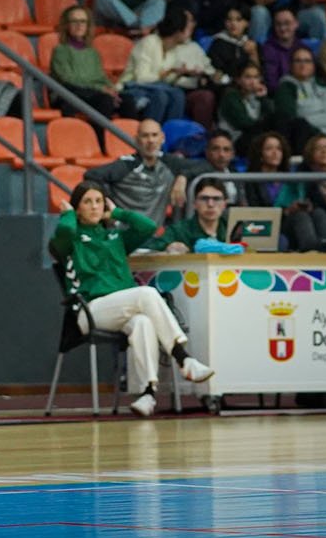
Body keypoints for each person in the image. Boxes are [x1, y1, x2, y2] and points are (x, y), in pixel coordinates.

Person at [48, 183, 213, 416]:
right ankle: (183, 358)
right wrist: (67, 214)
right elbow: (63, 232)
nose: (95, 206)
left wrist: (117, 213)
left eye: (98, 201)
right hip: (89, 311)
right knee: (146, 293)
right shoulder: (70, 239)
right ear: (78, 209)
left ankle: (148, 394)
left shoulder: (114, 236)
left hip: (122, 310)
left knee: (143, 322)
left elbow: (147, 227)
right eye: (87, 202)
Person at [83, 118, 183, 227]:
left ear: (162, 138)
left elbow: (202, 166)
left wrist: (183, 177)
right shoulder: (126, 165)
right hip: (124, 234)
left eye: (154, 135)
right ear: (136, 139)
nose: (150, 140)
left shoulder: (169, 162)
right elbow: (91, 175)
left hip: (153, 236)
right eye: (145, 136)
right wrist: (109, 207)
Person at [118, 10, 195, 124]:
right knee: (161, 96)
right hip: (131, 88)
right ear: (178, 31)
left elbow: (165, 81)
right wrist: (167, 72)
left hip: (155, 88)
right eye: (188, 29)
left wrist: (177, 74)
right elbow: (141, 78)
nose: (191, 33)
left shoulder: (173, 50)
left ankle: (170, 135)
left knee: (178, 94)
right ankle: (149, 134)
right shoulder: (149, 42)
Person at [49, 5, 123, 122]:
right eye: (74, 21)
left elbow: (100, 77)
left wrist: (111, 88)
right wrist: (100, 88)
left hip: (91, 92)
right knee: (104, 99)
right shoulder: (60, 50)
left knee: (127, 101)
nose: (79, 25)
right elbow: (69, 79)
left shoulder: (93, 52)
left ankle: (130, 138)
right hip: (69, 93)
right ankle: (99, 139)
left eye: (83, 21)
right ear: (67, 25)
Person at [276, 134, 326, 251]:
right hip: (299, 224)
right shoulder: (300, 178)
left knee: (319, 213)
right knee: (308, 214)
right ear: (310, 153)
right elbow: (280, 207)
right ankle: (312, 249)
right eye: (318, 148)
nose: (324, 151)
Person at [148, 178, 230, 253]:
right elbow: (148, 249)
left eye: (216, 199)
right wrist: (167, 249)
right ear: (194, 203)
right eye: (204, 198)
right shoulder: (179, 231)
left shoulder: (233, 229)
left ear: (225, 204)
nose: (210, 204)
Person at [216, 63, 274, 151]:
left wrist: (263, 99)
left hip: (256, 135)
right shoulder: (231, 97)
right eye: (248, 77)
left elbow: (272, 116)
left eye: (256, 77)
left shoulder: (259, 96)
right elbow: (243, 123)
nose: (253, 81)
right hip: (235, 140)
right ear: (238, 80)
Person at [207, 6, 259, 83]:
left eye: (238, 20)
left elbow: (260, 73)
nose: (233, 23)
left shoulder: (251, 43)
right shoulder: (218, 44)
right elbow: (219, 71)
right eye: (229, 19)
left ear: (247, 23)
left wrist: (253, 54)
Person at [259, 7, 305, 90]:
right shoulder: (267, 49)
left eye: (287, 23)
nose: (282, 28)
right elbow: (271, 82)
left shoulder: (303, 48)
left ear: (296, 24)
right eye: (278, 24)